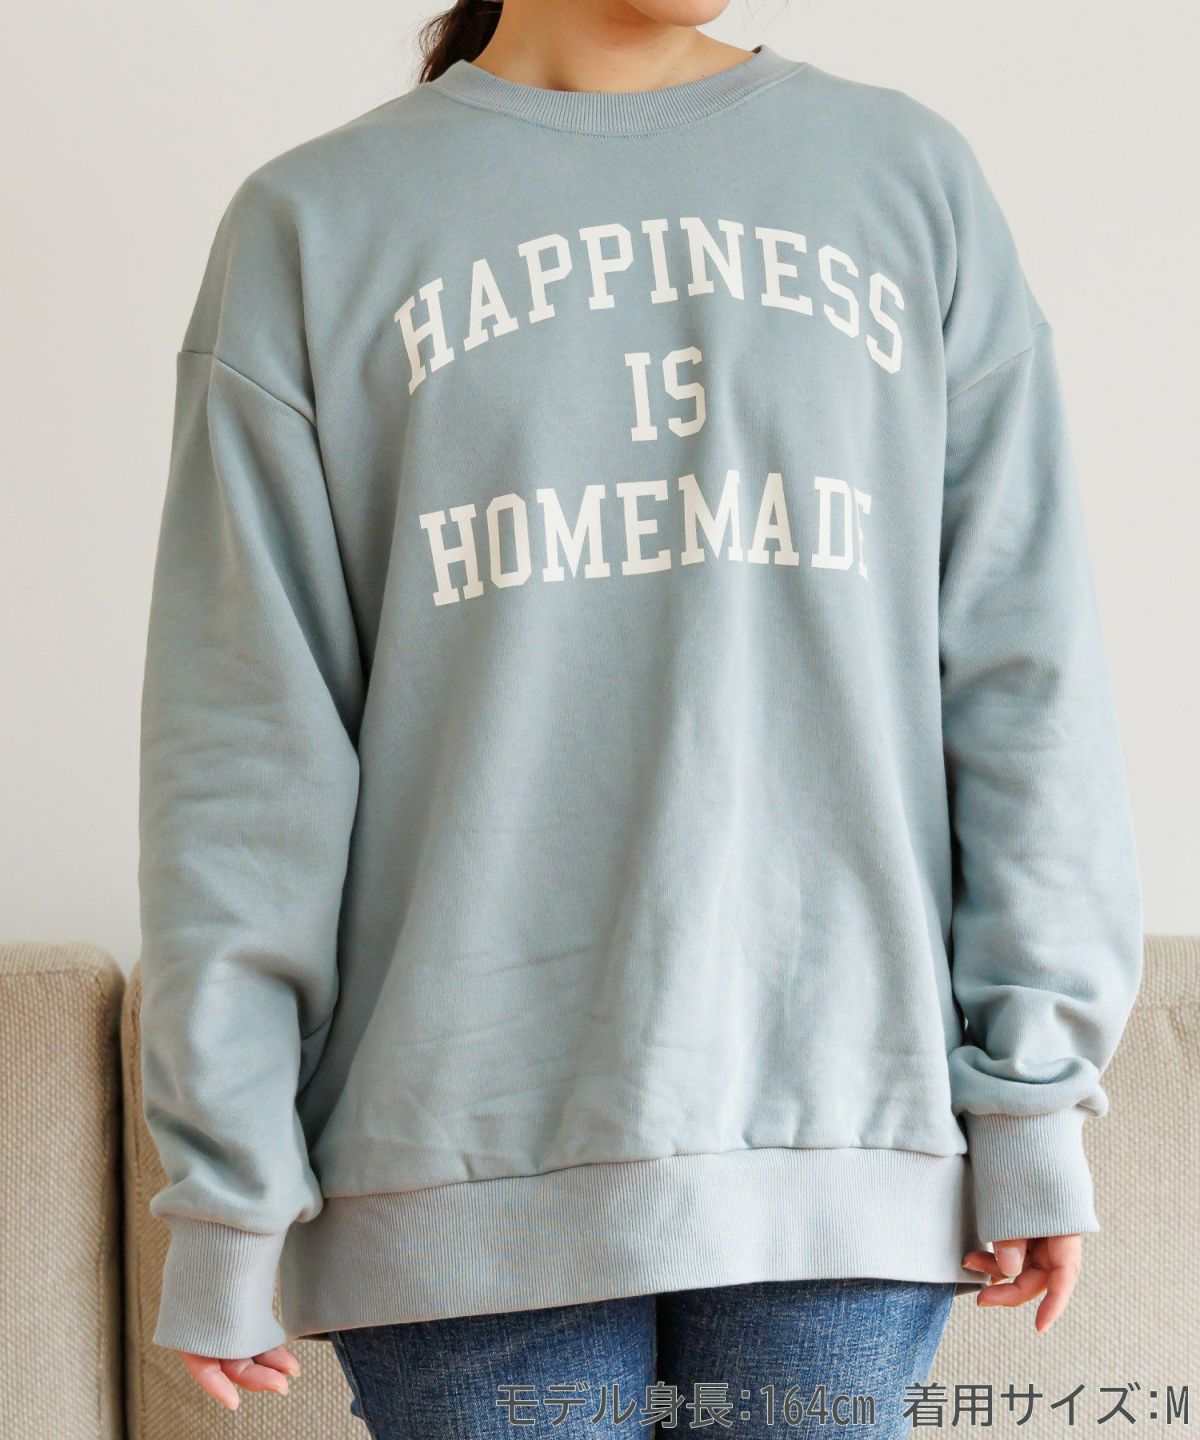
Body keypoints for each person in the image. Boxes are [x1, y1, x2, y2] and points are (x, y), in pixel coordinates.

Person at [136, 0, 1144, 1435]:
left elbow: (1021, 666)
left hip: (846, 1128)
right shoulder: (314, 225)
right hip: (456, 1158)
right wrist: (230, 1188)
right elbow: (247, 744)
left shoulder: (904, 180)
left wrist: (1034, 1096)